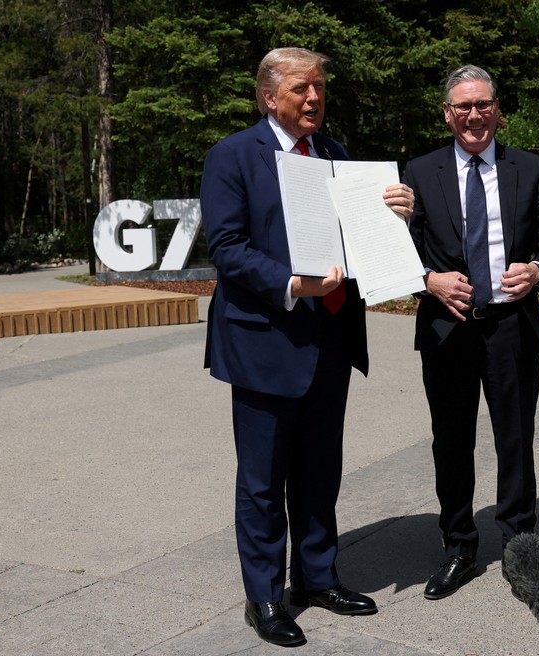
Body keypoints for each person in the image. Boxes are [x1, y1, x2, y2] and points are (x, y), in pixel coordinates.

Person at [199, 47, 414, 646]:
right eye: (301, 88)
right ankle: (265, 597)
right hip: (265, 340)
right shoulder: (233, 155)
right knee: (263, 481)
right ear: (270, 97)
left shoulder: (336, 154)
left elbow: (360, 237)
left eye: (319, 86)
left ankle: (317, 577)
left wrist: (397, 212)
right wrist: (292, 284)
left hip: (331, 338)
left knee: (320, 471)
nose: (314, 97)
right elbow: (227, 247)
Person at [403, 64, 539, 600]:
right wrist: (429, 281)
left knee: (514, 439)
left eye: (483, 105)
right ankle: (459, 548)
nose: (474, 115)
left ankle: (521, 549)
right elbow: (398, 250)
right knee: (451, 441)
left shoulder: (530, 168)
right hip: (447, 329)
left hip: (510, 327)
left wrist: (538, 271)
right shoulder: (420, 171)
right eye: (463, 107)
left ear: (497, 109)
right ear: (447, 114)